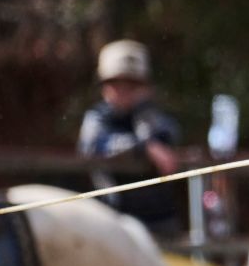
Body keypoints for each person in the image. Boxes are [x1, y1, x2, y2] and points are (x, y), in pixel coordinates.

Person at [77, 39, 183, 235]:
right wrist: (144, 147)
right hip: (113, 219)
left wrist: (142, 114)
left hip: (158, 222)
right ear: (104, 86)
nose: (123, 91)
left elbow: (169, 137)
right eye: (116, 84)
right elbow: (93, 146)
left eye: (132, 84)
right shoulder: (96, 118)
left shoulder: (151, 116)